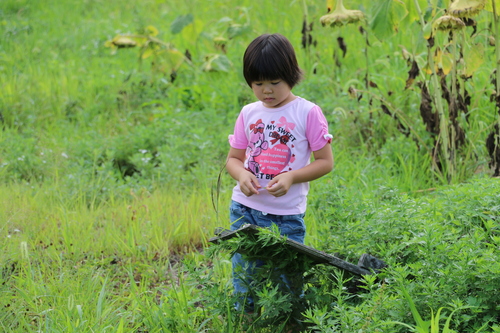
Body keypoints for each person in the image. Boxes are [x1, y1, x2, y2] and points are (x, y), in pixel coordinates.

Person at [226, 33, 334, 312]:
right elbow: (233, 160)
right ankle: (246, 320)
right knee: (245, 275)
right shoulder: (249, 112)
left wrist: (291, 177)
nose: (267, 91)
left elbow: (325, 161)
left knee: (287, 279)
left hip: (285, 216)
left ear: (291, 76)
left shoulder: (307, 112)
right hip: (245, 209)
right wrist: (241, 175)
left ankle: (287, 322)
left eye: (275, 82)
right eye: (258, 84)